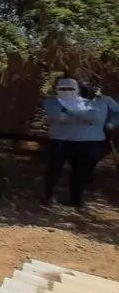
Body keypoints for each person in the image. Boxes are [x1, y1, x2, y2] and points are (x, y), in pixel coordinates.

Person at [42, 77, 119, 208]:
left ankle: (76, 201)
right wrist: (80, 116)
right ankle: (48, 197)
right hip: (61, 140)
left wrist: (111, 124)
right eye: (63, 88)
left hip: (90, 142)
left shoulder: (100, 101)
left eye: (71, 88)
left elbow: (94, 116)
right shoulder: (53, 101)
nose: (67, 91)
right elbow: (58, 117)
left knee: (81, 172)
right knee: (54, 169)